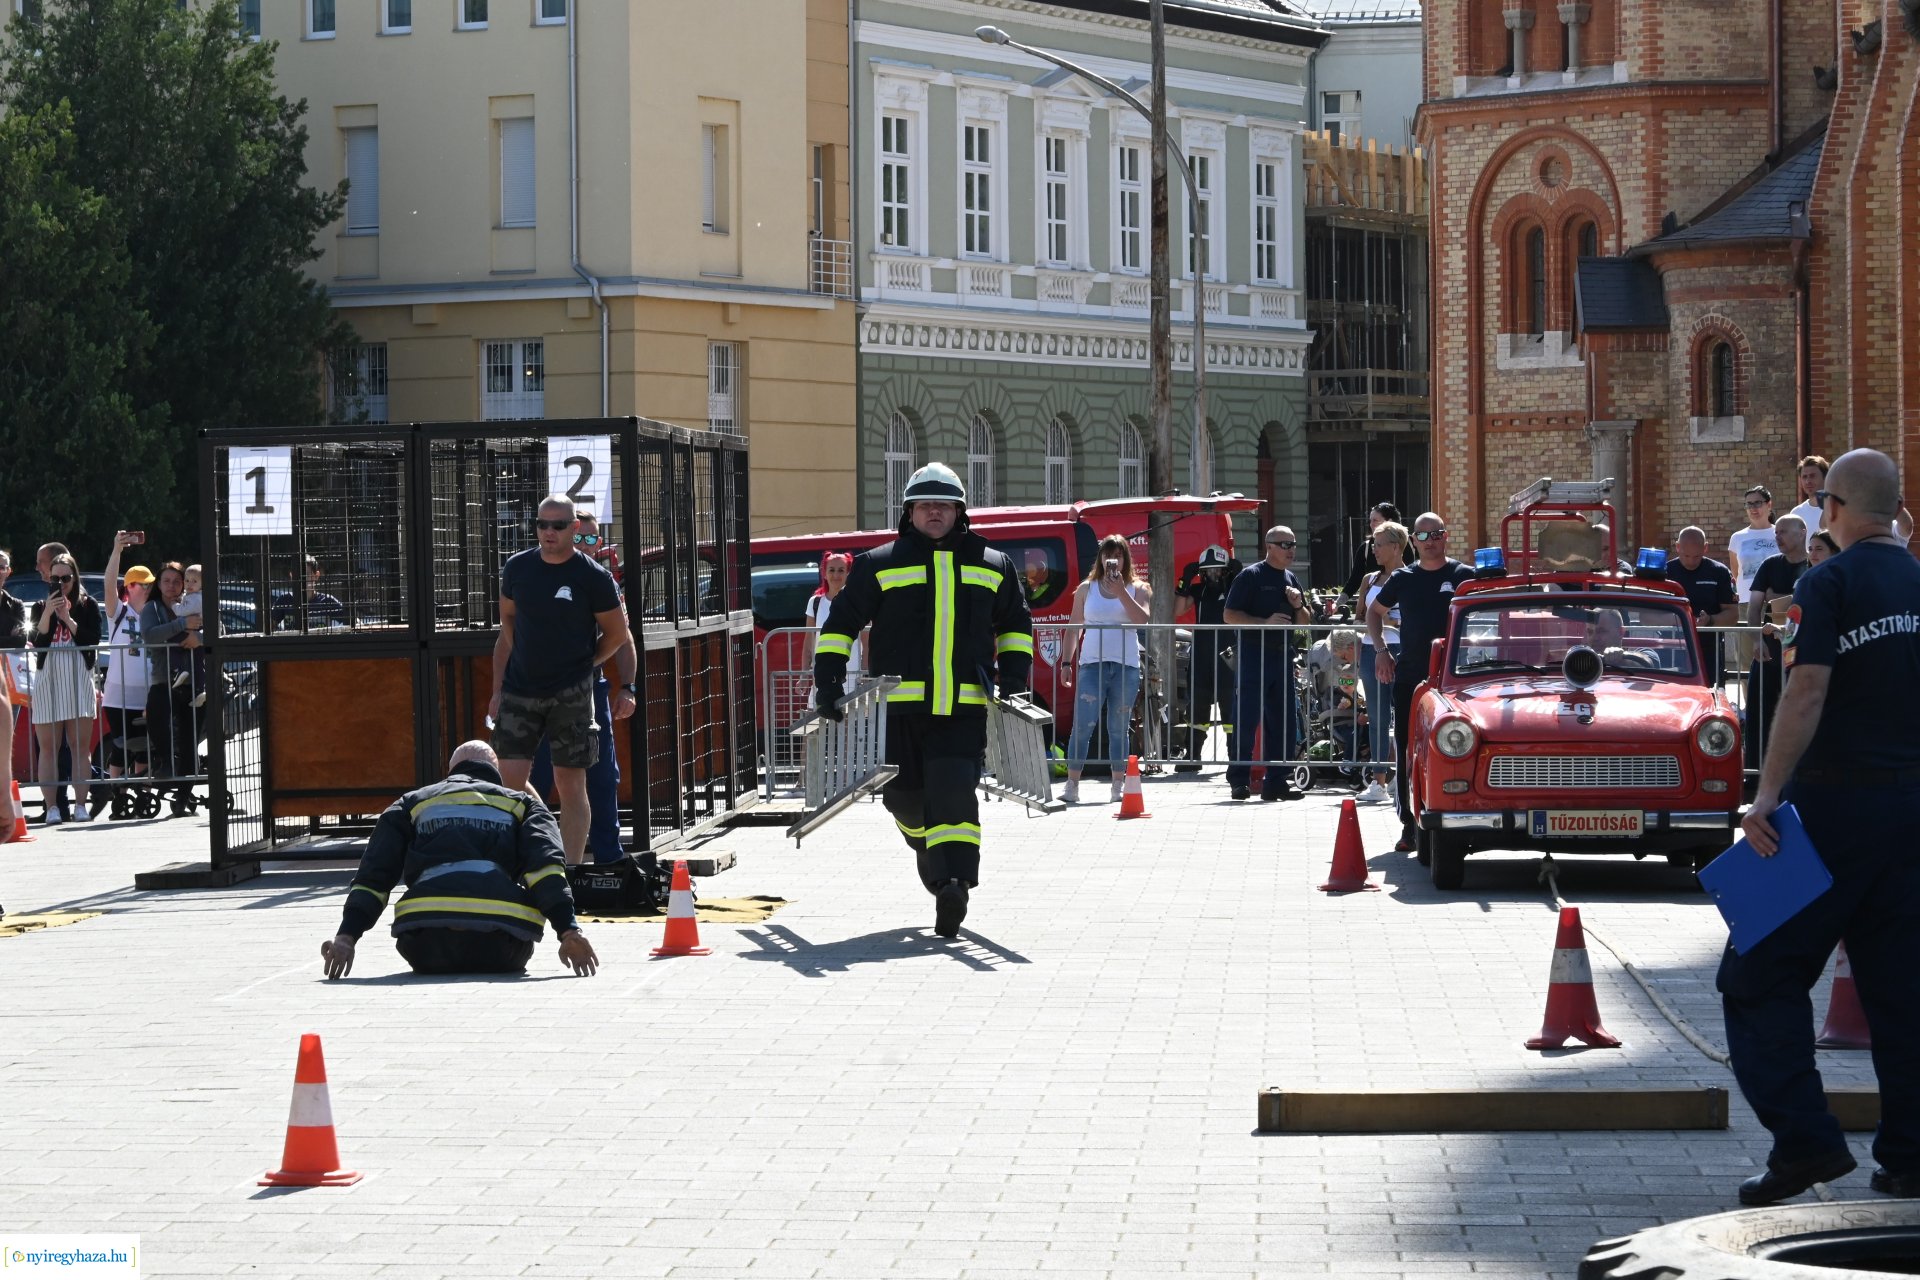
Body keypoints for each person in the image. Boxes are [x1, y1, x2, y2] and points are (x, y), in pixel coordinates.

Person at [1724, 447, 1920, 1205]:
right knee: (1902, 993)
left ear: (1832, 510)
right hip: (1910, 815)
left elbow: (1805, 693)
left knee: (1754, 972)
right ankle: (1907, 1158)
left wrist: (1766, 796)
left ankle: (1805, 1143)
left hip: (1832, 812)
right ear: (1895, 510)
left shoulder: (1823, 582)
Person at [811, 463, 1033, 938]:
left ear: (960, 511)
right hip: (899, 710)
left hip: (962, 707)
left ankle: (953, 885)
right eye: (926, 505)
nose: (935, 512)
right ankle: (927, 850)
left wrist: (1015, 680)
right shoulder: (879, 562)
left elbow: (1015, 624)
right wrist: (828, 683)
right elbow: (841, 626)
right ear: (909, 512)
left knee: (954, 793)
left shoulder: (992, 562)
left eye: (944, 505)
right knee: (906, 801)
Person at [320, 740, 599, 979]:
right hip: (503, 947)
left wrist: (347, 937)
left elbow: (375, 877)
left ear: (450, 772)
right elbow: (546, 871)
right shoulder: (524, 805)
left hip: (424, 945)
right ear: (496, 774)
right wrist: (568, 931)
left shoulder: (411, 803)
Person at [489, 495, 635, 866]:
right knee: (509, 784)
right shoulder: (518, 568)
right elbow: (507, 618)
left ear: (573, 528)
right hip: (521, 690)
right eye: (542, 524)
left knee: (572, 785)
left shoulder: (593, 577)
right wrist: (501, 684)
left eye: (557, 525)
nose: (548, 532)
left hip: (571, 693)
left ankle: (569, 873)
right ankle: (530, 853)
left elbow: (618, 634)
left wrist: (587, 664)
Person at [1368, 512, 1475, 851]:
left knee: (1456, 748)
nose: (1430, 541)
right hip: (1412, 676)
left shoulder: (1463, 576)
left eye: (1437, 534)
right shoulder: (1403, 577)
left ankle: (1461, 817)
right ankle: (1408, 826)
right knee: (1408, 748)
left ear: (1446, 537)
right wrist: (1382, 651)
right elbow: (1373, 612)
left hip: (1455, 679)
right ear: (1413, 541)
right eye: (1424, 536)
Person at [1223, 524, 1313, 803]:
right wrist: (1263, 623)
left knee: (1283, 722)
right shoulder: (1250, 576)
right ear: (1269, 546)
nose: (1291, 549)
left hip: (1281, 655)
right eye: (1285, 544)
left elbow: (1305, 623)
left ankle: (1277, 782)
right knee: (1246, 719)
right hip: (1253, 653)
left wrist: (1298, 606)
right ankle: (1239, 781)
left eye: (1293, 544)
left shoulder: (1290, 579)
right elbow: (1229, 615)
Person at [1061, 534, 1151, 805]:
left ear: (1126, 559)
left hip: (1125, 666)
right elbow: (1075, 626)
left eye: (1119, 555)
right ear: (1100, 559)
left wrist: (1121, 591)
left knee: (1118, 727)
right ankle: (1072, 784)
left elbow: (1142, 620)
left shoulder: (1139, 587)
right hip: (1091, 664)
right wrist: (1066, 662)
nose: (1114, 561)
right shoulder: (1087, 588)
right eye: (1108, 555)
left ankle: (1117, 786)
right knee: (1083, 725)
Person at [30, 553, 103, 824]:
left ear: (75, 577)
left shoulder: (89, 605)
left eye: (66, 578)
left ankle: (80, 805)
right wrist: (50, 612)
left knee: (79, 746)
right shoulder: (40, 606)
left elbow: (90, 640)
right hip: (48, 678)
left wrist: (68, 617)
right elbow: (38, 641)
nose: (60, 583)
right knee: (48, 747)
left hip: (77, 676)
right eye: (55, 578)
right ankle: (52, 808)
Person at [1744, 515, 1809, 772]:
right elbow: (1753, 610)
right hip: (1769, 653)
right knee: (1761, 712)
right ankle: (1756, 771)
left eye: (1783, 531)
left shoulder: (1814, 565)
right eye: (1776, 532)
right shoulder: (1770, 565)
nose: (1777, 536)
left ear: (1802, 532)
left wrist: (1778, 596)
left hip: (1802, 655)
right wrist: (1757, 639)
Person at [1174, 543, 1241, 769]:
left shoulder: (1233, 587)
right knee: (1197, 707)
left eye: (1217, 570)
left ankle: (1235, 755)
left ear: (1225, 571)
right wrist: (1184, 580)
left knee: (1230, 708)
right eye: (1208, 571)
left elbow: (1244, 594)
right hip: (1202, 654)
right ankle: (1192, 755)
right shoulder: (1198, 591)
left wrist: (1237, 572)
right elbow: (1178, 609)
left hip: (1228, 656)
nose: (1213, 575)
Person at [1356, 520, 1408, 805]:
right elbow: (1359, 615)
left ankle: (1404, 776)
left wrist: (1393, 621)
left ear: (1396, 547)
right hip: (1370, 649)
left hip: (1403, 649)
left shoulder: (1411, 575)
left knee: (1404, 714)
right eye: (1372, 544)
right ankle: (1379, 781)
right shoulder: (1370, 580)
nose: (1373, 550)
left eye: (1378, 545)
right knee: (1377, 716)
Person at [141, 562, 202, 781]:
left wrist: (199, 638)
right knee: (157, 717)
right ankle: (166, 762)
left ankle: (185, 790)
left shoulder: (195, 601)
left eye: (177, 581)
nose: (172, 586)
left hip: (194, 680)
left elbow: (218, 629)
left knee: (189, 735)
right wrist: (181, 624)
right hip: (164, 679)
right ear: (158, 584)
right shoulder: (152, 608)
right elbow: (149, 636)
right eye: (166, 581)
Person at [99, 546, 154, 780]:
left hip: (148, 693)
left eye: (151, 584)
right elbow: (109, 585)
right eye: (144, 584)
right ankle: (117, 792)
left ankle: (143, 792)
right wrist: (116, 549)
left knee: (145, 747)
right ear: (130, 587)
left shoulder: (156, 613)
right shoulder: (118, 612)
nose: (150, 588)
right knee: (122, 745)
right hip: (118, 695)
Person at [1667, 526, 1740, 685]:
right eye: (1686, 555)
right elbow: (1648, 616)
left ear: (1705, 547)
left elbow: (1733, 614)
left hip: (1709, 648)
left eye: (1697, 556)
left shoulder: (1719, 572)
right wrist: (1680, 620)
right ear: (1677, 547)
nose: (1691, 561)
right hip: (1670, 649)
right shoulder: (1665, 572)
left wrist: (1711, 620)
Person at [1729, 486, 1779, 674]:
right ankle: (1749, 702)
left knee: (1777, 656)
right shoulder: (1738, 538)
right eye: (1749, 504)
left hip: (1775, 603)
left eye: (1758, 503)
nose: (1753, 508)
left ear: (1769, 505)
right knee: (1746, 659)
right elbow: (1737, 572)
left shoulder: (1779, 533)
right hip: (1746, 604)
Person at [807, 552, 861, 693]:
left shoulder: (859, 602)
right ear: (824, 573)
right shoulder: (815, 603)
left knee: (853, 714)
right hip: (824, 674)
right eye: (831, 570)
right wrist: (803, 674)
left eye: (841, 570)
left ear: (849, 573)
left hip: (853, 673)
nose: (836, 575)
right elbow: (808, 641)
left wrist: (865, 673)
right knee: (821, 712)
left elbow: (867, 643)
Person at [1338, 502, 1403, 611]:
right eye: (1370, 520)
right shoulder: (1366, 550)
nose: (1371, 524)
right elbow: (1354, 580)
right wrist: (1337, 604)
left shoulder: (1411, 545)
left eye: (1375, 520)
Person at [271, 555, 348, 631]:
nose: (302, 579)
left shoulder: (327, 601)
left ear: (316, 576)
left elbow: (352, 620)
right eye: (298, 575)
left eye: (306, 574)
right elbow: (268, 626)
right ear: (292, 576)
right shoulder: (285, 600)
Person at [1786, 455, 1828, 534]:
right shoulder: (1796, 513)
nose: (1808, 481)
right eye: (1804, 477)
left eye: (1812, 476)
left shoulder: (1836, 509)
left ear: (1825, 477)